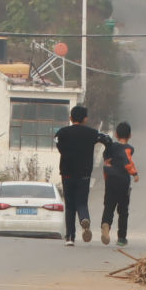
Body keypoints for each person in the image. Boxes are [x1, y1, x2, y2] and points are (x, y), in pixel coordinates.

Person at [51, 104, 107, 244]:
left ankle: (70, 237)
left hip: (67, 174)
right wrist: (109, 157)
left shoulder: (62, 132)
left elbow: (57, 142)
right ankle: (84, 219)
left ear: (70, 118)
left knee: (69, 205)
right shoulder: (92, 133)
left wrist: (64, 151)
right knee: (82, 202)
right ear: (86, 119)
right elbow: (107, 140)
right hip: (84, 175)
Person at [99, 121, 137, 245]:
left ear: (116, 134)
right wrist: (135, 174)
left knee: (109, 206)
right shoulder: (128, 149)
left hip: (110, 180)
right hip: (123, 182)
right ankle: (121, 238)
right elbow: (128, 162)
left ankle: (106, 224)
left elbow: (107, 161)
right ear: (130, 135)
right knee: (123, 210)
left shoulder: (111, 147)